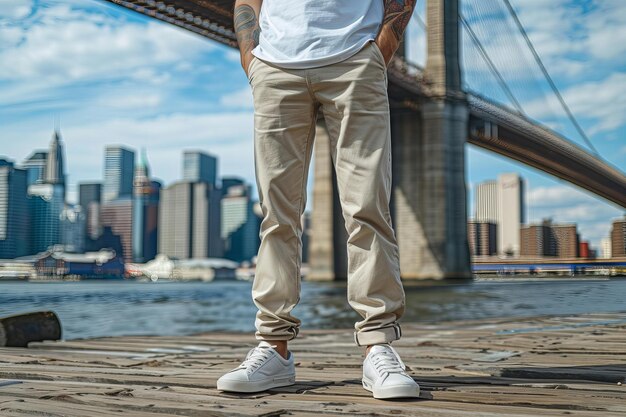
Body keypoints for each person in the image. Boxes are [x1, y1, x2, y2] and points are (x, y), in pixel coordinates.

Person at [217, 0, 419, 399]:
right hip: (274, 65)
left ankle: (378, 346)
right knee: (277, 216)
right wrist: (251, 56)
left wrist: (381, 46)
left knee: (367, 208)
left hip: (355, 59)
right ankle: (274, 349)